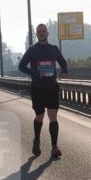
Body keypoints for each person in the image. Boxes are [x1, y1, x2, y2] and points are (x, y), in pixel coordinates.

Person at [18, 23, 68, 159]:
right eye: (39, 31)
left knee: (53, 117)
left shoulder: (54, 49)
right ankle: (36, 140)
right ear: (36, 34)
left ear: (47, 33)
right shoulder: (32, 50)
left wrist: (64, 71)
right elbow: (21, 66)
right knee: (39, 116)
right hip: (37, 88)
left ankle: (54, 147)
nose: (41, 33)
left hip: (52, 87)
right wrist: (35, 73)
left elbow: (63, 62)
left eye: (43, 31)